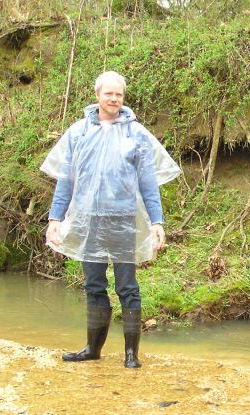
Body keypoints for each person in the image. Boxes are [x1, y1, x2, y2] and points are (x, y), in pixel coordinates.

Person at [40, 71, 180, 368]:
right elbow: (66, 180)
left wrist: (157, 222)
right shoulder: (79, 132)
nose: (114, 99)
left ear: (123, 98)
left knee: (127, 287)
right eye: (109, 94)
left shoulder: (136, 134)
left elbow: (148, 183)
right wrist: (55, 218)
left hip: (124, 221)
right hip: (88, 221)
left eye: (119, 94)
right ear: (97, 96)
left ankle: (131, 354)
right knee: (93, 285)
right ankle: (93, 348)